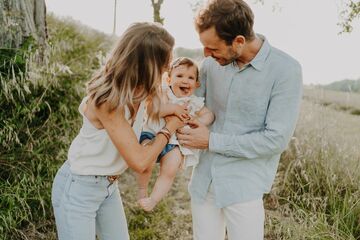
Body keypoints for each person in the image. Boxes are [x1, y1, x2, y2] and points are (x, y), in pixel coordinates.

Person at [176, 0, 303, 239]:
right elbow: (190, 108)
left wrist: (211, 141)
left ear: (239, 42)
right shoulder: (210, 65)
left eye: (213, 48)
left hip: (244, 188)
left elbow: (275, 140)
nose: (206, 55)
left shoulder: (286, 71)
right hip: (204, 182)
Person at [51, 22, 184, 240]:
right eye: (165, 61)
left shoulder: (144, 91)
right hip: (79, 187)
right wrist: (170, 128)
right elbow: (140, 162)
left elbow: (168, 104)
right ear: (147, 64)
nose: (168, 67)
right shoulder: (106, 100)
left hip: (109, 186)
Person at [137, 57, 215, 212]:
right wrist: (173, 108)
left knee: (170, 170)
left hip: (175, 143)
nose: (185, 81)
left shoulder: (194, 102)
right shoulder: (164, 93)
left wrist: (198, 120)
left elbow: (209, 115)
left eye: (191, 78)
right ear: (169, 78)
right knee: (147, 161)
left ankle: (153, 199)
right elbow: (153, 110)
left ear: (197, 84)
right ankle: (142, 189)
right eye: (179, 76)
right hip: (153, 134)